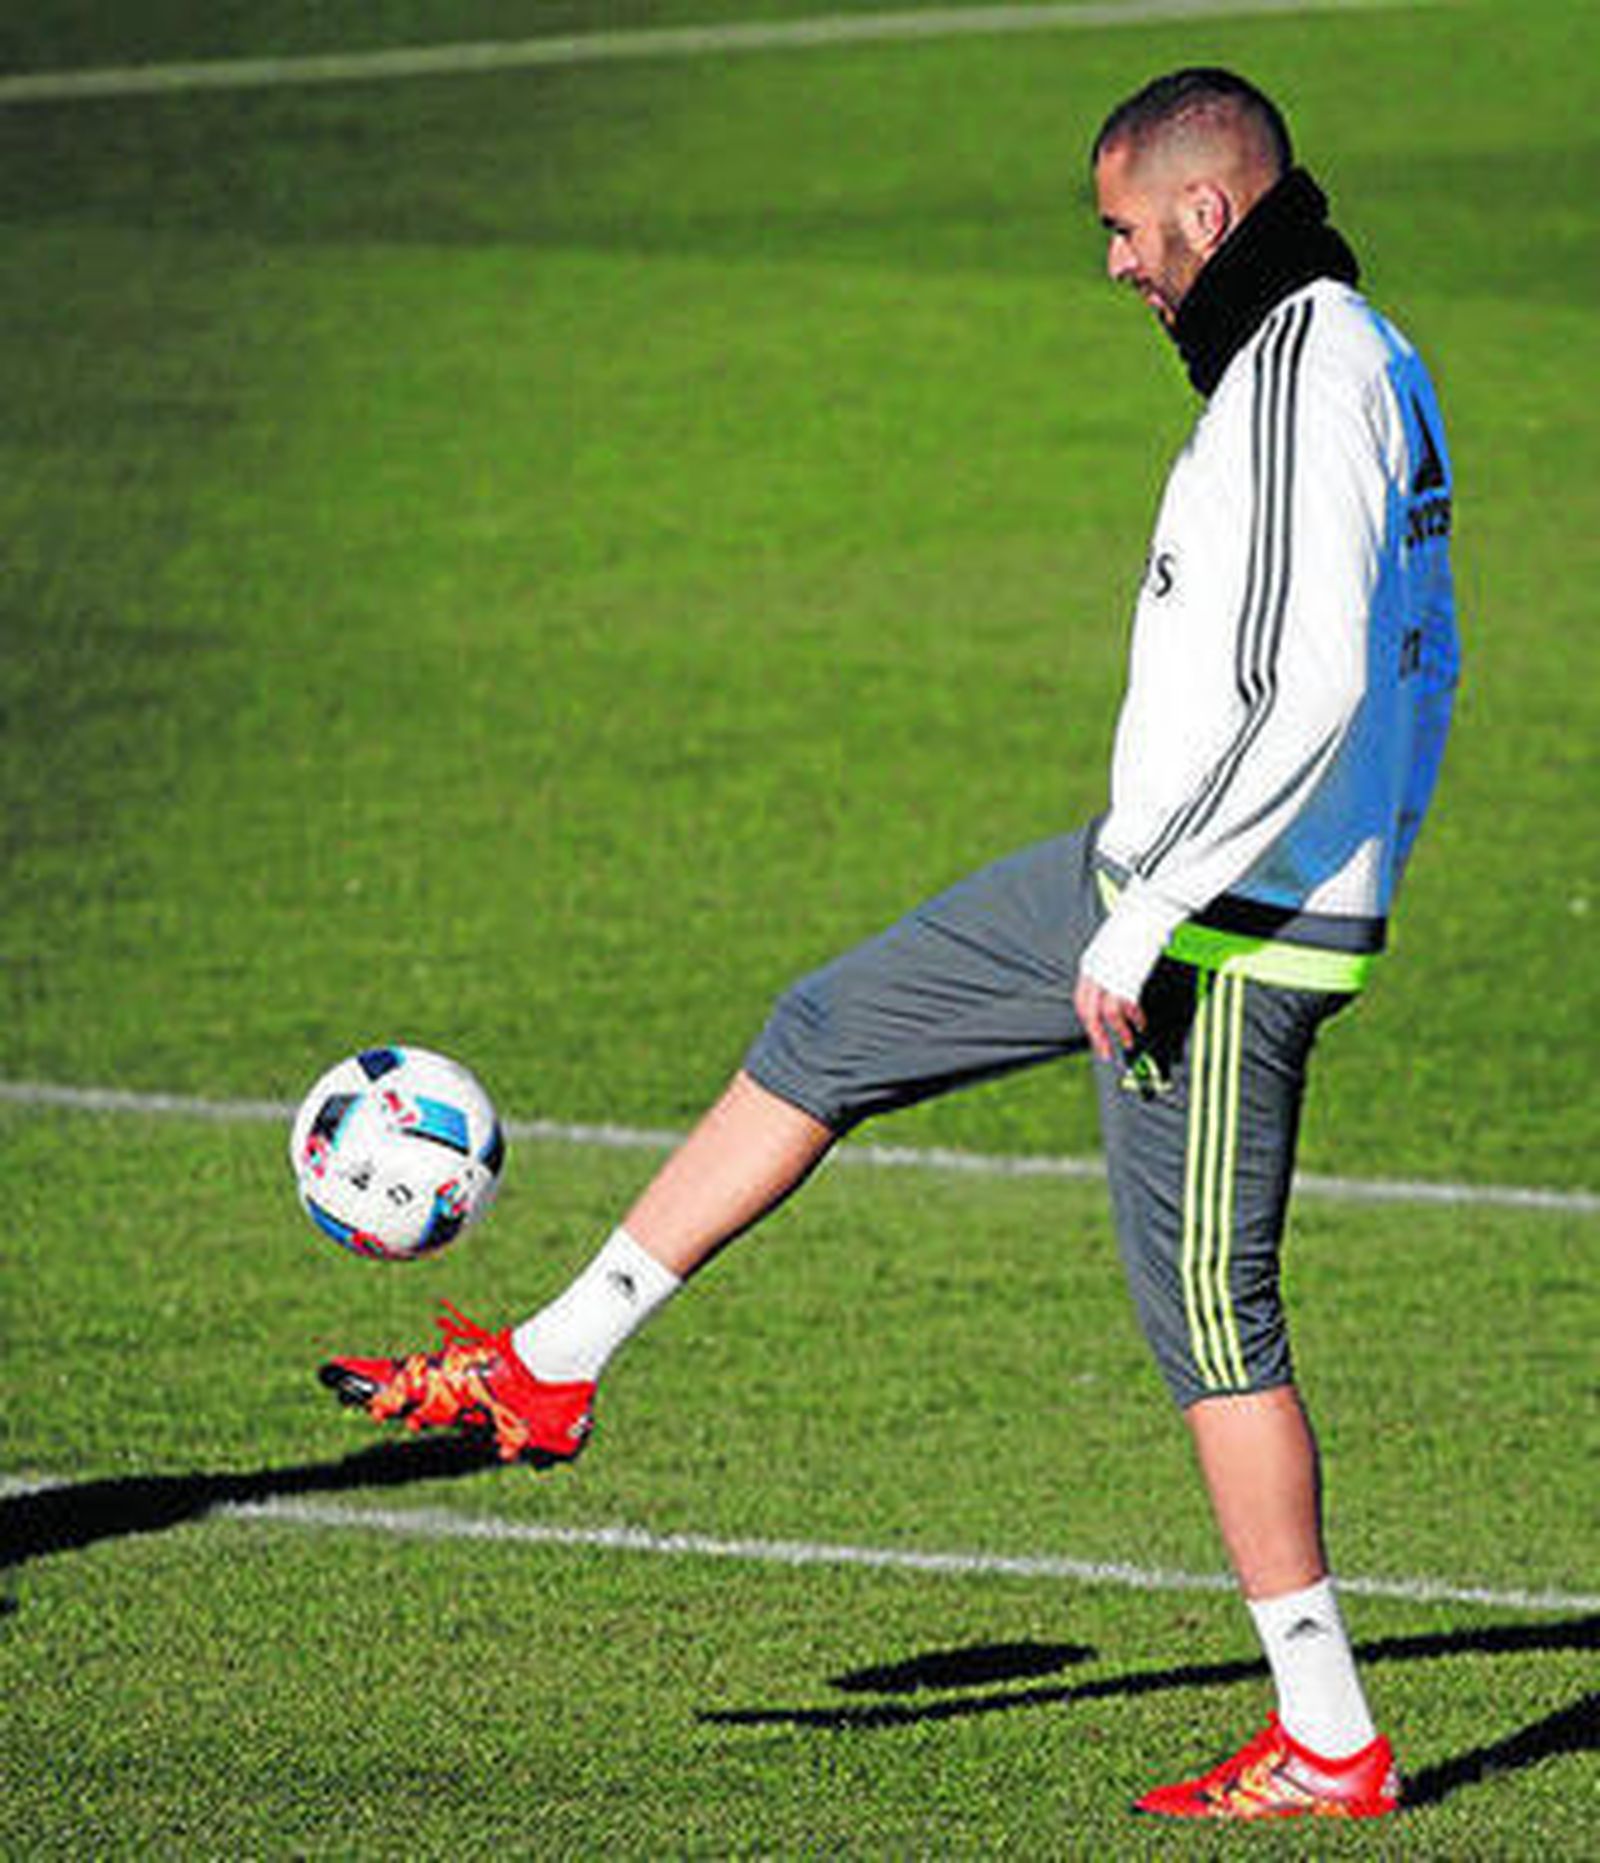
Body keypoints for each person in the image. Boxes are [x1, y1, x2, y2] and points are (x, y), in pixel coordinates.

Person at [320, 69, 1459, 1821]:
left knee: (1211, 1323)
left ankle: (1331, 1739)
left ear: (1205, 212)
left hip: (1225, 930)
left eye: (1124, 230)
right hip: (1145, 879)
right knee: (829, 1030)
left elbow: (1313, 686)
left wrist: (1167, 918)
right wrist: (1162, 883)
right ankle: (552, 1365)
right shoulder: (1312, 360)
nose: (1115, 265)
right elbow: (1421, 666)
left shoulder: (1315, 373)